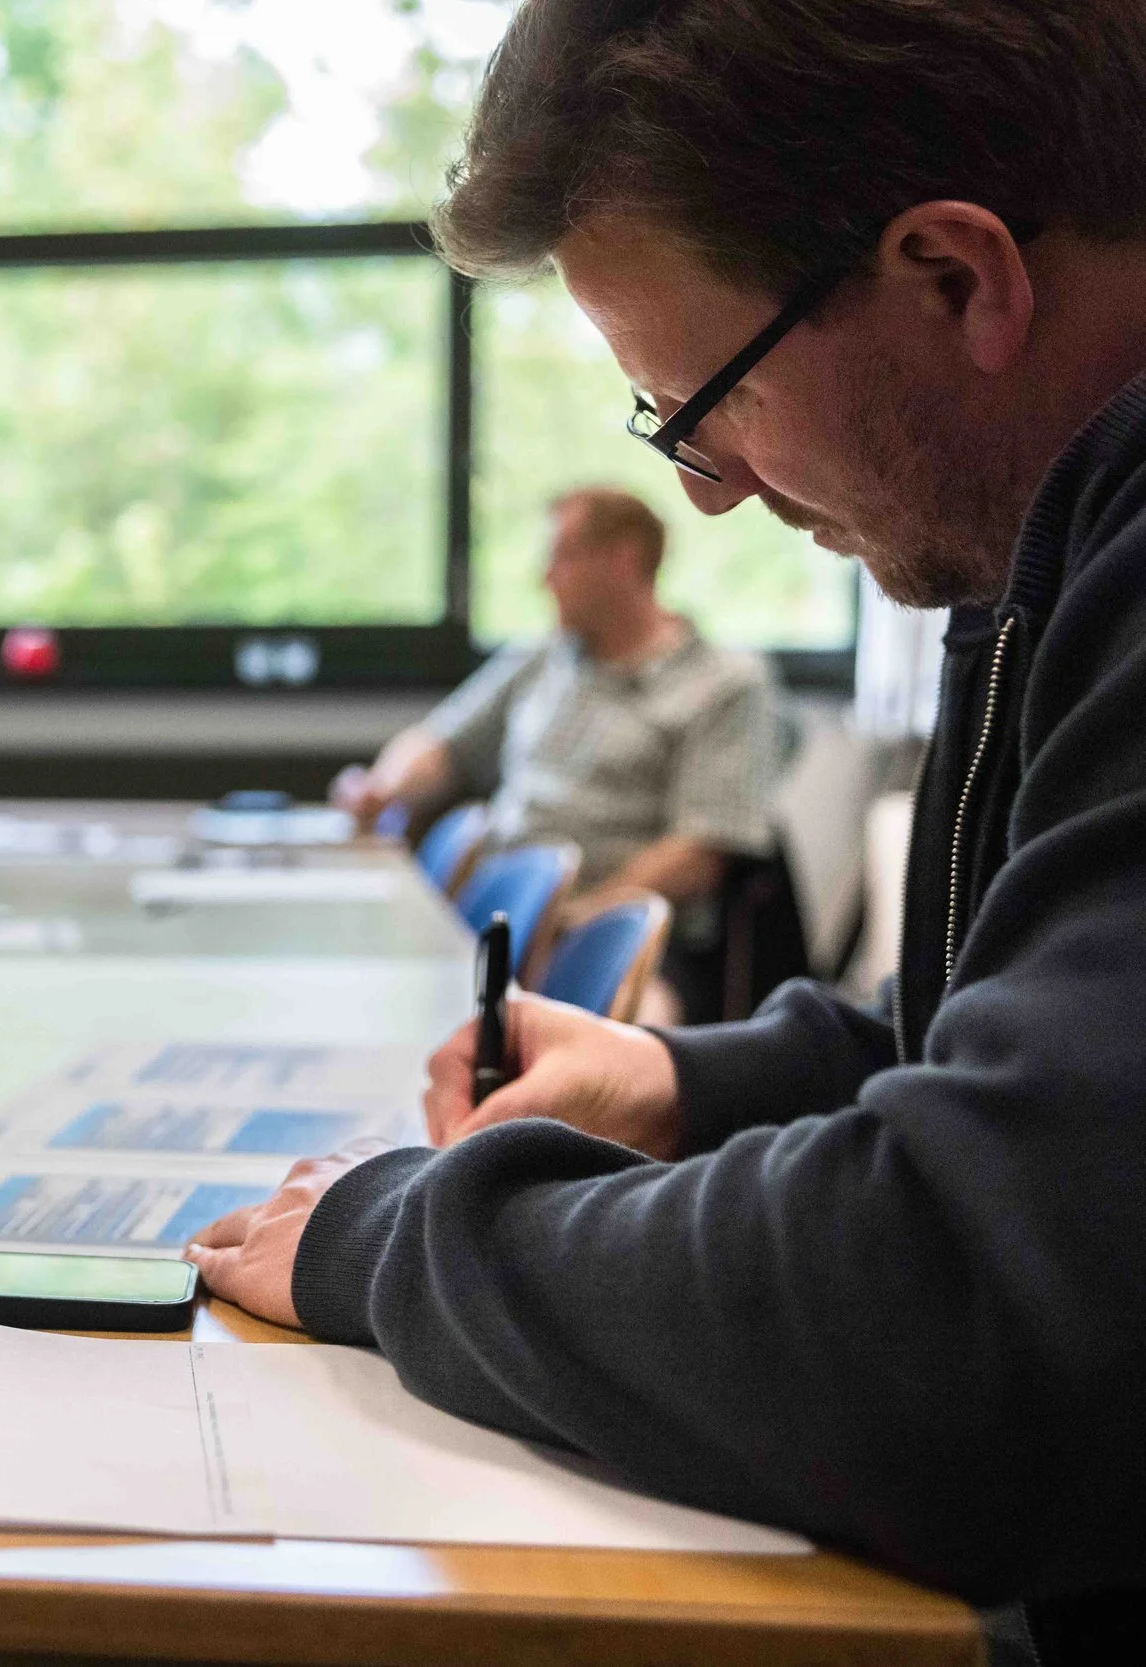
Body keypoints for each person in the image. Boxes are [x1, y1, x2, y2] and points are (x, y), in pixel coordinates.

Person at [187, 0, 1146, 1651]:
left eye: (703, 403)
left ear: (954, 277)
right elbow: (1043, 1091)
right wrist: (690, 1078)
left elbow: (968, 1320)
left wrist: (395, 1235)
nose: (705, 490)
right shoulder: (1060, 547)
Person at [334, 487, 779, 947]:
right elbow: (441, 743)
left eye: (561, 557)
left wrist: (577, 918)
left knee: (630, 1009)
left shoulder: (725, 681)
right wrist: (382, 790)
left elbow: (702, 850)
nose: (543, 578)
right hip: (504, 908)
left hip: (622, 930)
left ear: (622, 560)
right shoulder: (543, 656)